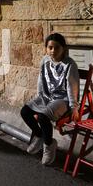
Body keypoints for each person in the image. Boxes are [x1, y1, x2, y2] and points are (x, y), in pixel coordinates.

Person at [20, 33, 79, 166]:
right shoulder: (45, 61)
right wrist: (39, 97)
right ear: (46, 48)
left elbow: (72, 86)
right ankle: (39, 135)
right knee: (25, 111)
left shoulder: (69, 64)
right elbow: (41, 80)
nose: (53, 51)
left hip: (63, 99)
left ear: (63, 48)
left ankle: (49, 144)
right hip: (47, 96)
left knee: (43, 117)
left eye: (57, 48)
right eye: (50, 47)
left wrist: (74, 107)